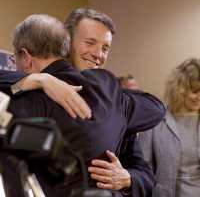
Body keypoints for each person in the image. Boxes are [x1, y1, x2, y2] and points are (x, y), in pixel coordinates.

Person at [0, 14, 165, 197]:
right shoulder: (108, 91)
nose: (98, 54)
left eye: (105, 48)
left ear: (26, 57)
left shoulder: (112, 95)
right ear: (67, 44)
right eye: (90, 42)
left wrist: (128, 178)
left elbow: (145, 174)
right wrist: (36, 79)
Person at [139, 58, 200, 197]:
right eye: (195, 91)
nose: (199, 97)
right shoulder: (156, 119)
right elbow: (143, 166)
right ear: (180, 88)